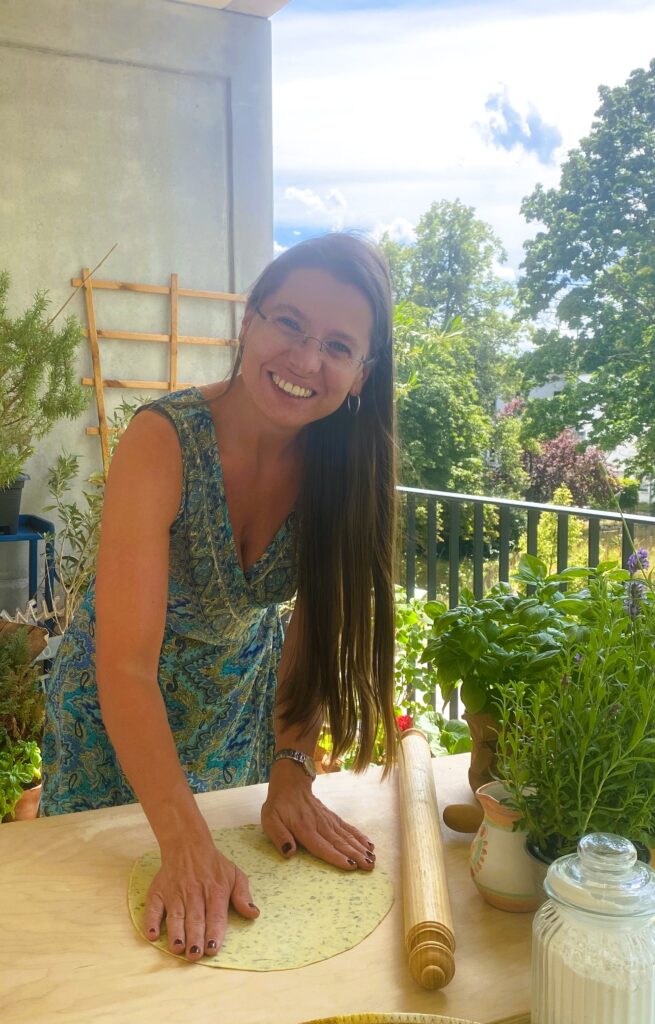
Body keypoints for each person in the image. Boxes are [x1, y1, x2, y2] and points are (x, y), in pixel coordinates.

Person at [40, 233, 398, 961]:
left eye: (336, 345)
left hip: (237, 705)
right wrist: (182, 840)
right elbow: (128, 666)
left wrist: (293, 764)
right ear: (249, 321)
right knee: (93, 929)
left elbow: (316, 624)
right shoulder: (161, 440)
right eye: (289, 323)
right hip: (115, 706)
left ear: (361, 374)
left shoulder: (345, 466)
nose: (304, 359)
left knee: (225, 934)